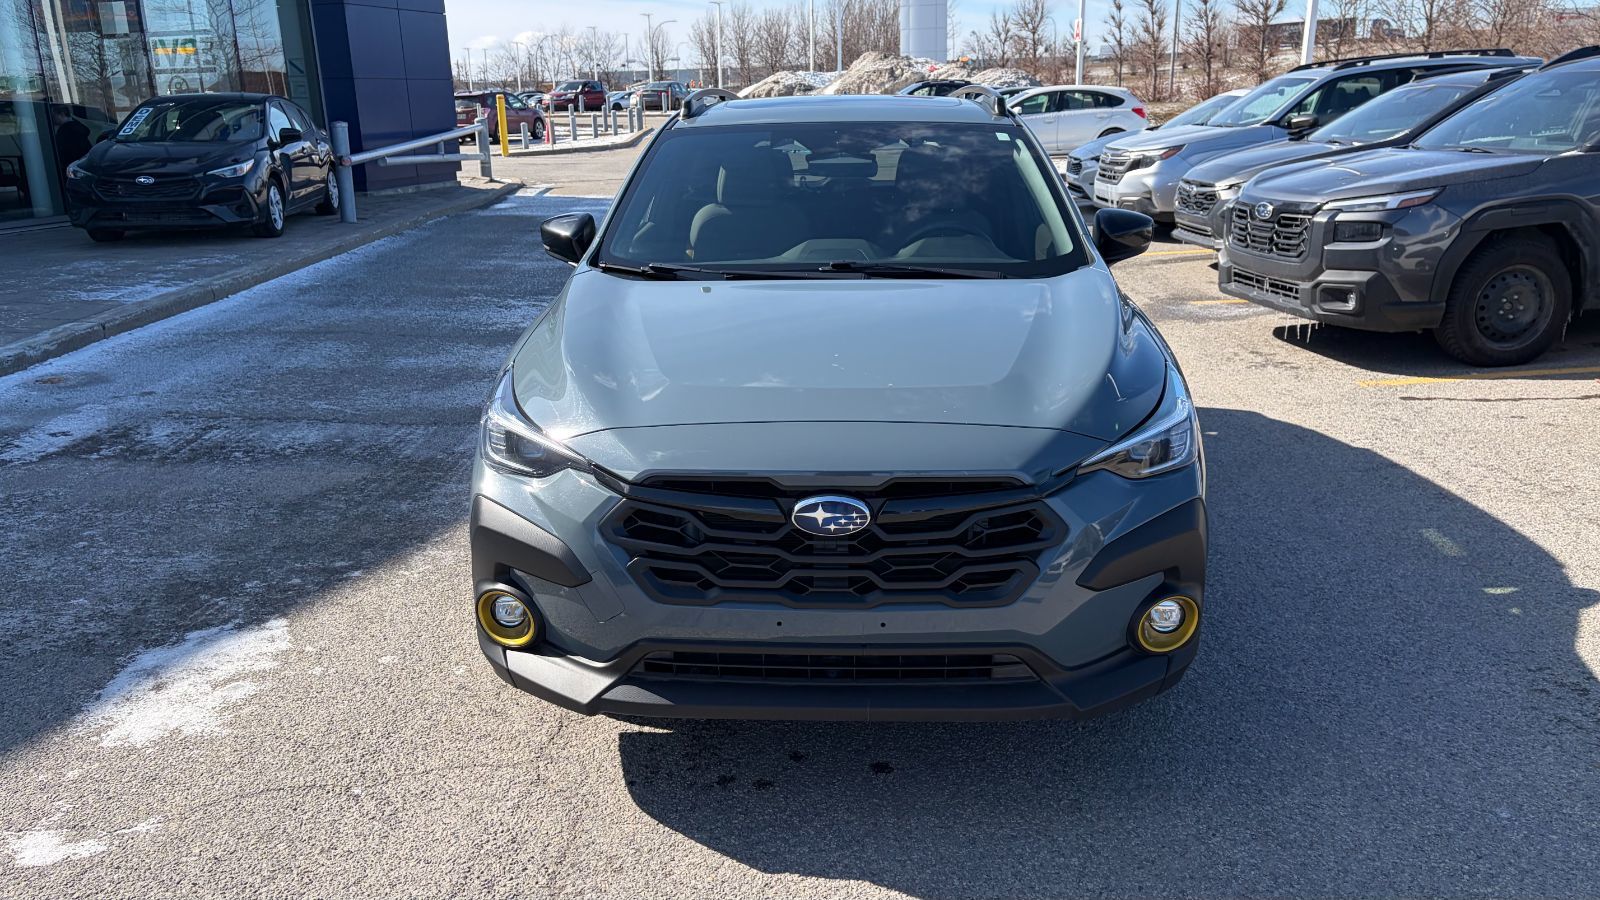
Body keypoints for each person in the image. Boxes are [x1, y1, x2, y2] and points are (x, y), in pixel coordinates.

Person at [51, 104, 92, 181]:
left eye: (54, 115)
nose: (52, 118)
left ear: (62, 114)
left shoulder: (64, 132)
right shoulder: (79, 127)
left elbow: (63, 153)